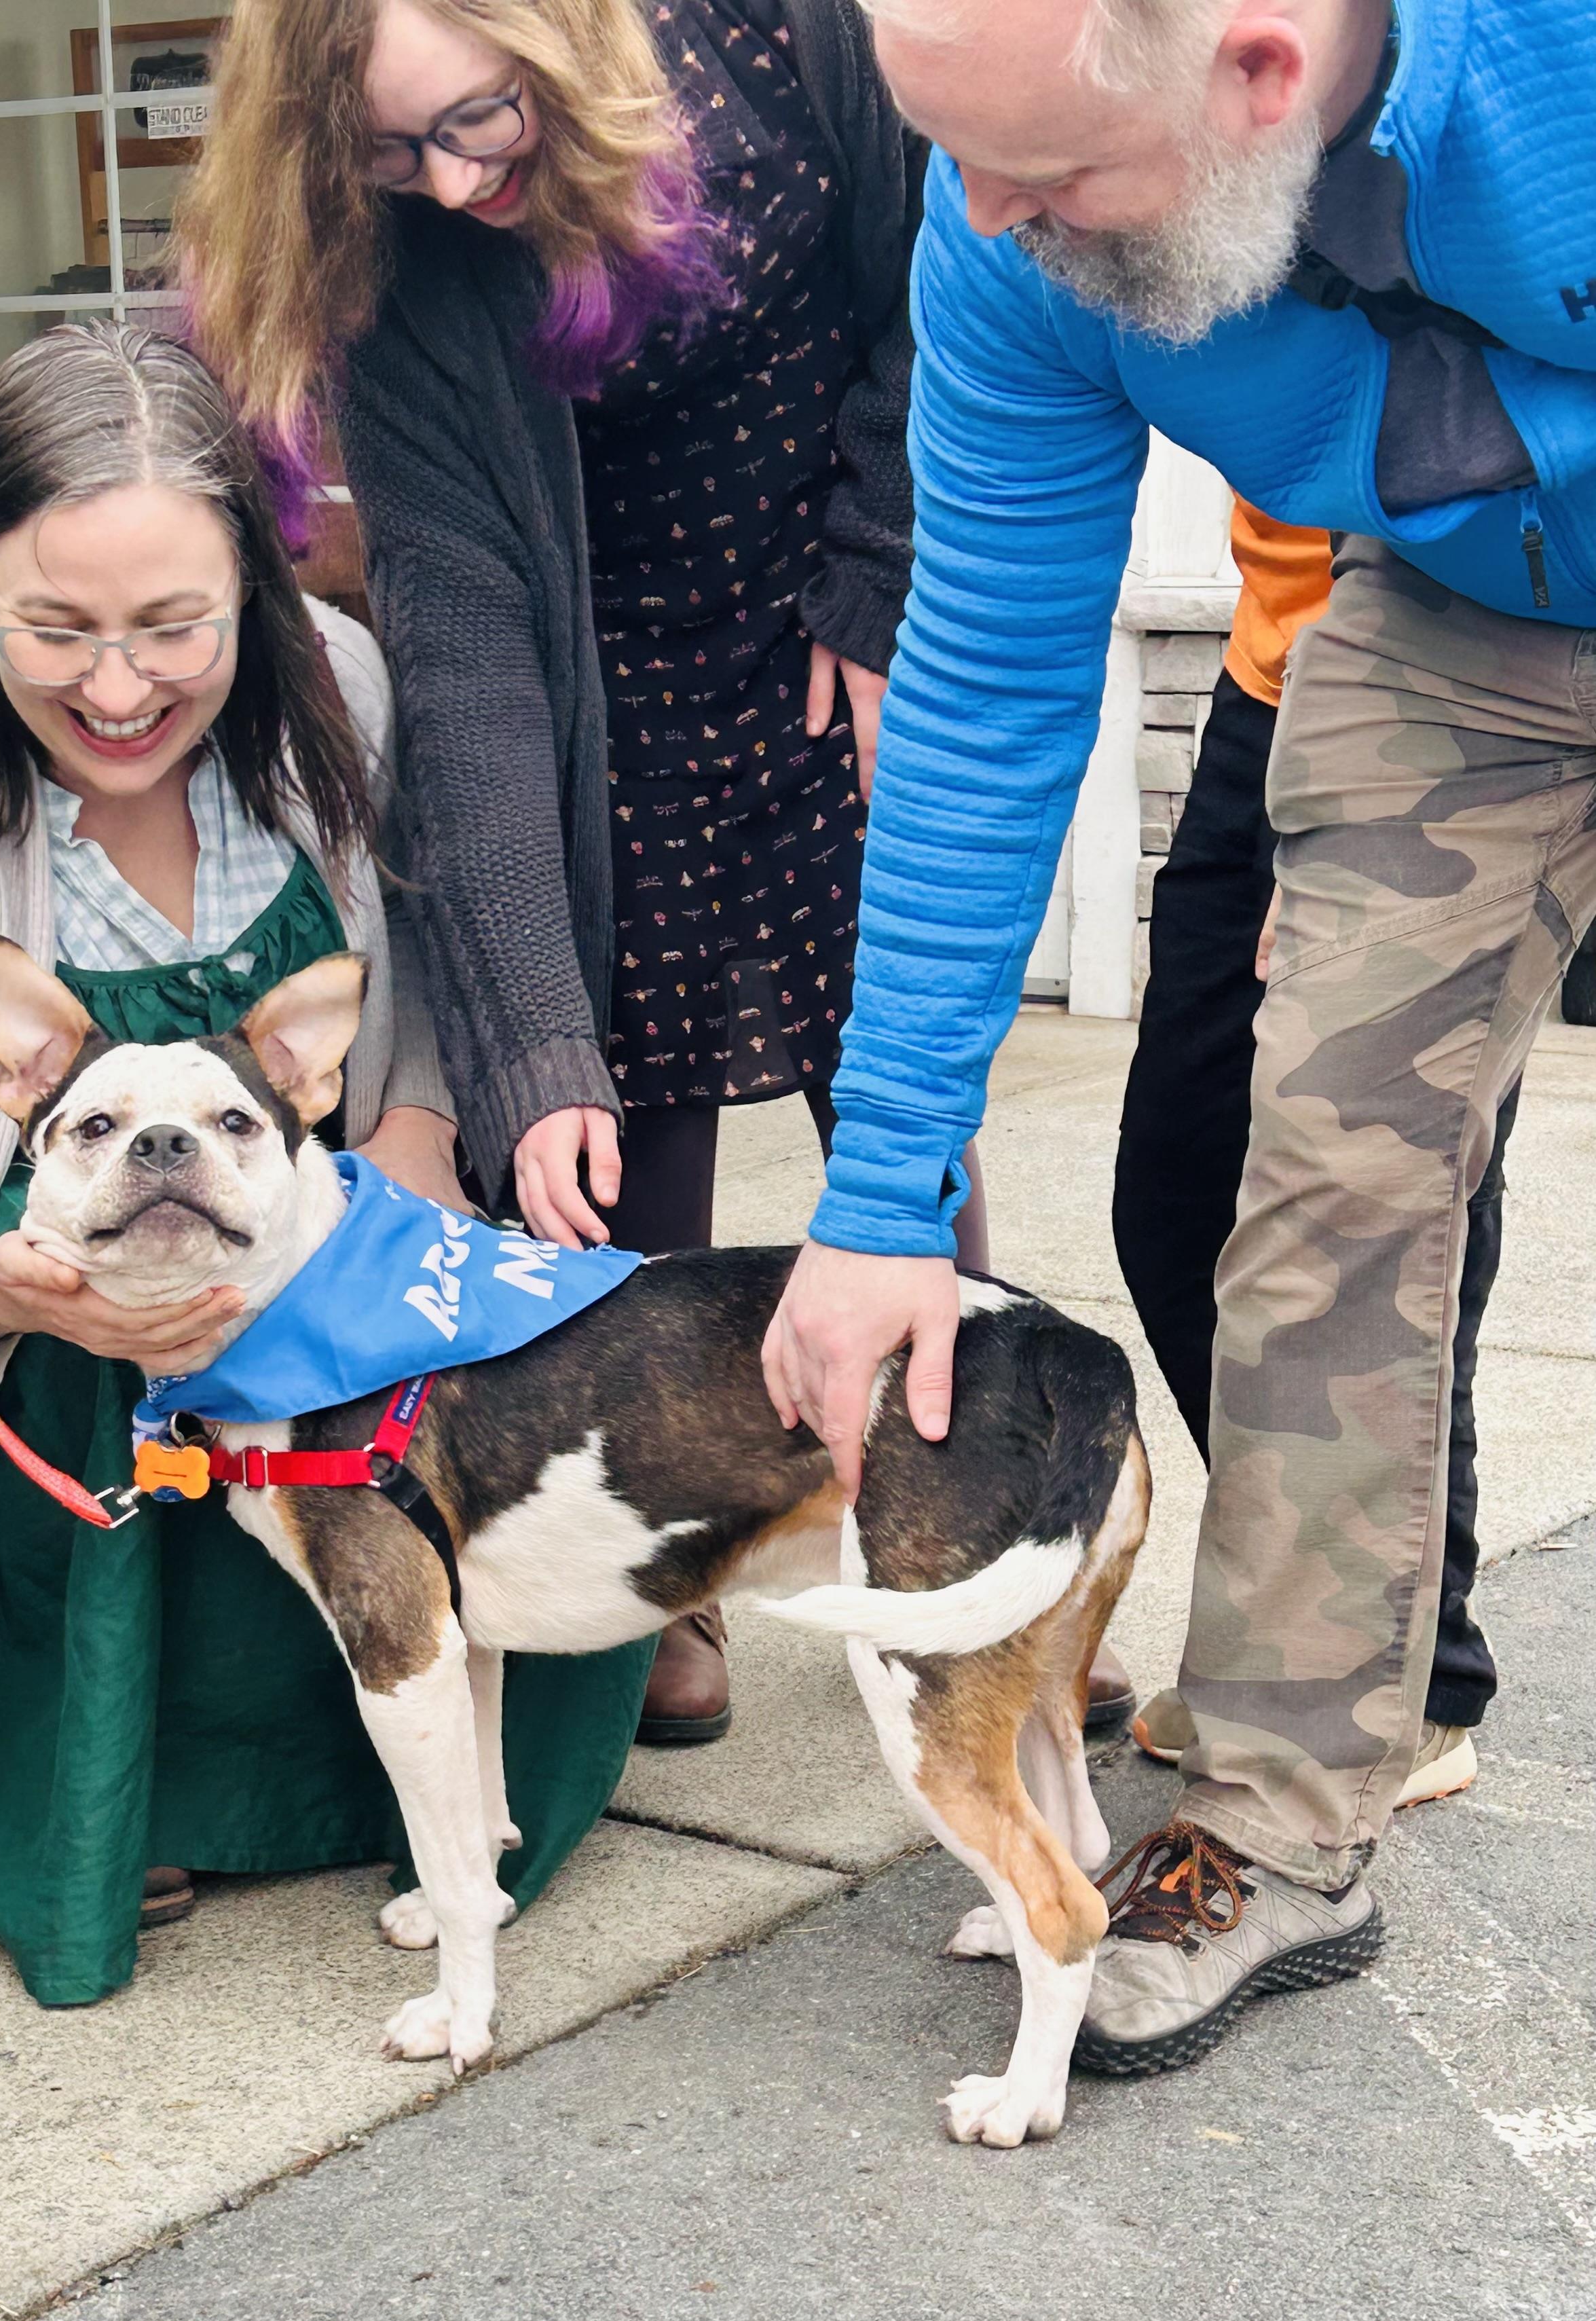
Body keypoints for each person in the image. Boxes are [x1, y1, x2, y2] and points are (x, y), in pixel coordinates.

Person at [762, 0, 1596, 2074]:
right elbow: (983, 687)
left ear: (1259, 73)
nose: (983, 222)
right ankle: (1286, 1821)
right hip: (1460, 620)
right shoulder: (1001, 244)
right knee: (1310, 1185)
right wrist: (879, 1199)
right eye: (954, 156)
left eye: (1043, 170)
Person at [0, 323, 654, 2006]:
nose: (119, 690)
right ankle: (108, 1772)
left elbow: (415, 1000)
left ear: (256, 590)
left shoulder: (336, 692)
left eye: (174, 627)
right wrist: (18, 1297)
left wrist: (413, 1148)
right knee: (109, 1384)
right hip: (7, 1380)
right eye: (56, 630)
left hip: (327, 1286)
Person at [179, 0, 1047, 1749]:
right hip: (602, 682)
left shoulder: (780, 35)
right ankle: (671, 1563)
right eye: (386, 154)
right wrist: (534, 1041)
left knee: (901, 1103)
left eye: (472, 119)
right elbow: (465, 647)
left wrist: (881, 574)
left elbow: (943, 286)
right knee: (612, 1120)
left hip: (839, 615)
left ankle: (984, 1541)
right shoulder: (399, 268)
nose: (448, 182)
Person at [1114, 500, 1510, 1808]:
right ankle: (1314, 1644)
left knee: (1384, 1209)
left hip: (1453, 678)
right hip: (1267, 669)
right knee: (1176, 1200)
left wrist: (1357, 799)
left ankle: (1412, 1681)